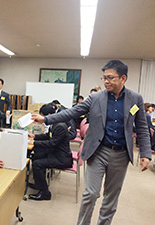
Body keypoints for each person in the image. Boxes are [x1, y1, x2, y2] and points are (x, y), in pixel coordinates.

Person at [32, 60, 151, 225]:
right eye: (104, 78)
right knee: (91, 193)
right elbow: (72, 112)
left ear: (123, 78)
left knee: (111, 197)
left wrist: (145, 153)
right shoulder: (95, 98)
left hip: (121, 155)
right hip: (98, 151)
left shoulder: (135, 99)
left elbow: (143, 128)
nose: (106, 81)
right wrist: (46, 119)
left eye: (110, 78)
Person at [27, 104, 73, 201]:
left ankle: (45, 193)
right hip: (56, 153)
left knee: (37, 164)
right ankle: (39, 184)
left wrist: (35, 143)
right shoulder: (56, 123)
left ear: (48, 115)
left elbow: (52, 143)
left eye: (41, 116)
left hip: (62, 158)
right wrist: (34, 137)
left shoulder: (59, 126)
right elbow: (49, 136)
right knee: (36, 156)